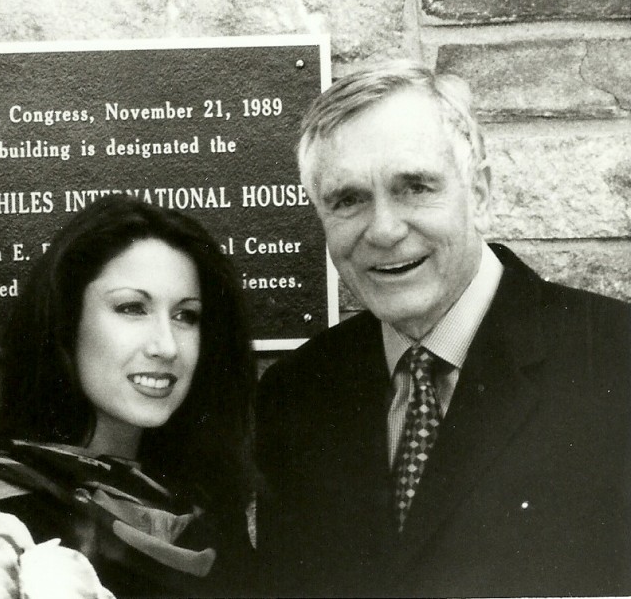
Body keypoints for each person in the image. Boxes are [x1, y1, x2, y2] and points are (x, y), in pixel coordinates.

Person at [254, 60, 631, 597]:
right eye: (349, 199)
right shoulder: (296, 395)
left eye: (414, 187)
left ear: (478, 192)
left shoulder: (616, 360)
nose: (383, 230)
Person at [0, 196, 256, 598]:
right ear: (65, 324)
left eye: (185, 315)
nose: (167, 346)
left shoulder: (208, 514)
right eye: (132, 308)